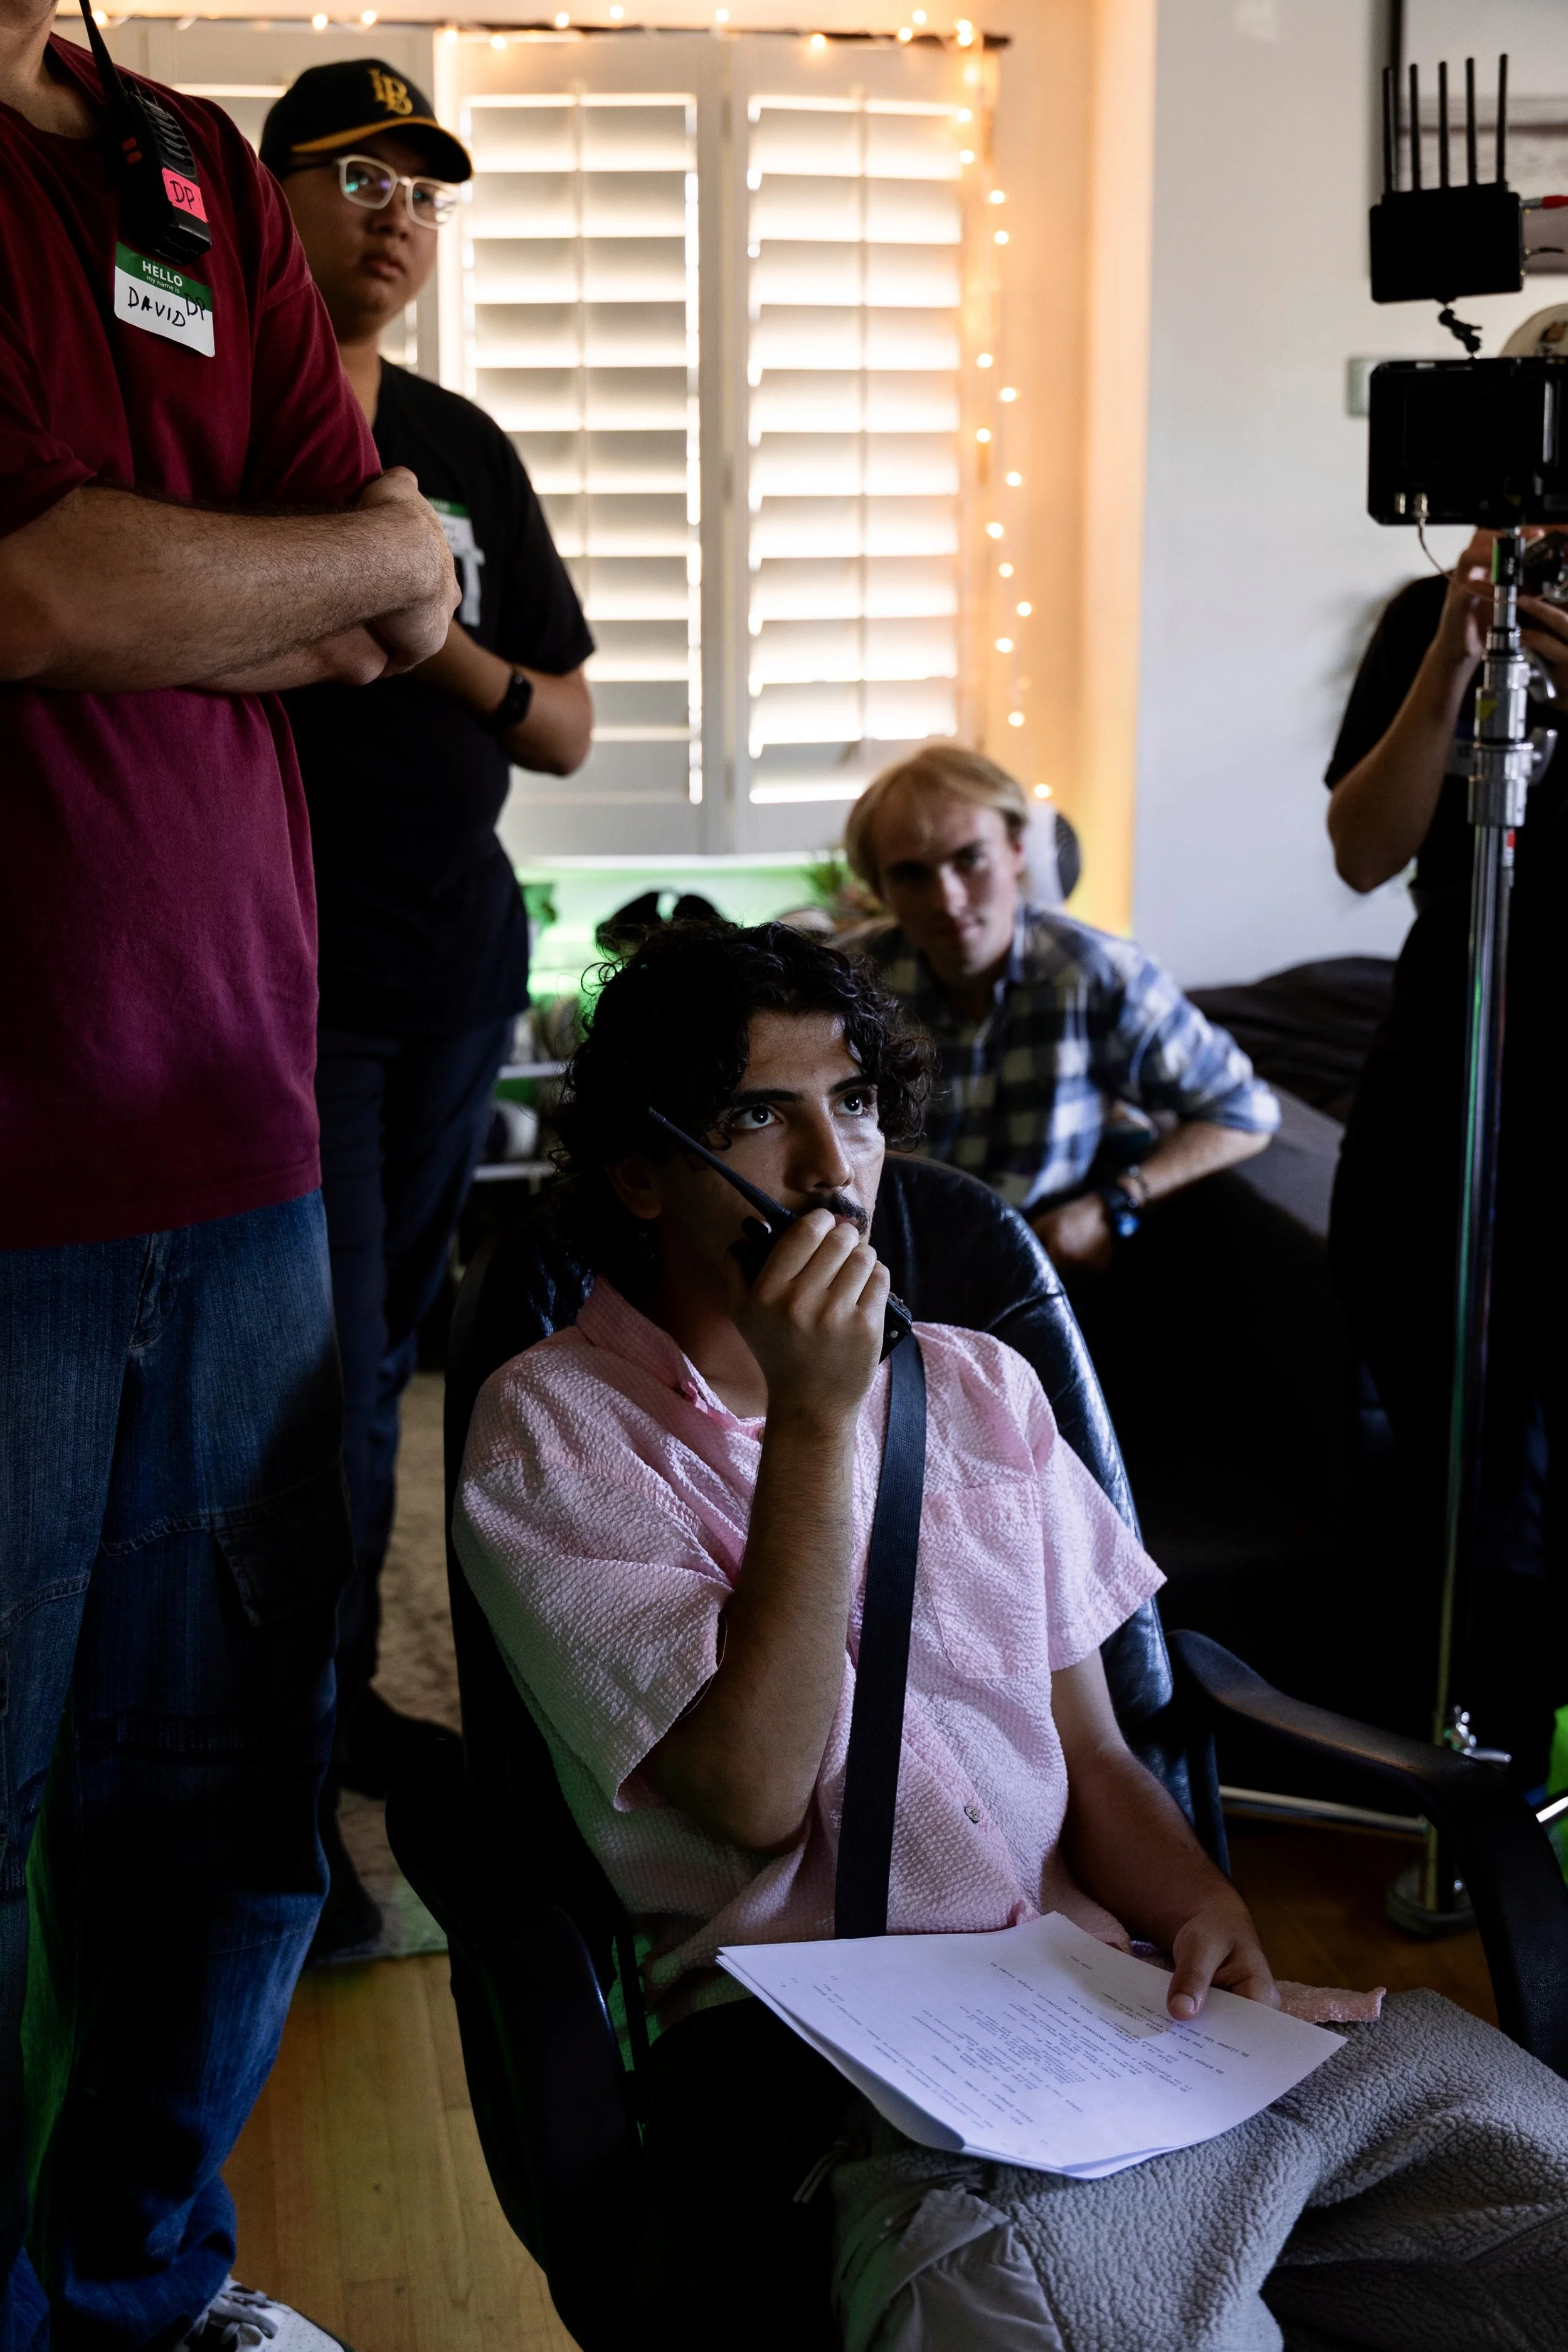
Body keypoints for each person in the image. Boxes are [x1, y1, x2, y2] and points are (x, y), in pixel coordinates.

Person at [452, 922, 1568, 2352]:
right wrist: (814, 1419)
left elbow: (1093, 1753)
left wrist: (1202, 1908)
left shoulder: (979, 1384)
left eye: (855, 1103)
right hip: (861, 2088)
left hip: (1112, 2013)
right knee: (1084, 2312)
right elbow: (751, 1796)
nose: (830, 1165)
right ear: (642, 1172)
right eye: (760, 1114)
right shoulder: (551, 1431)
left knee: (1532, 2185)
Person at [0, 4, 458, 2344]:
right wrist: (288, 573)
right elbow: (37, 594)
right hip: (13, 1175)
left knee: (229, 1792)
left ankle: (143, 2283)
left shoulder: (184, 157)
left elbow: (411, 595)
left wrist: (213, 575)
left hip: (245, 1131)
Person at [258, 63, 595, 1951]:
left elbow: (562, 721)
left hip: (450, 966)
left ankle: (330, 1707)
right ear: (272, 199)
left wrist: (432, 634)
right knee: (297, 1385)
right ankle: (277, 1771)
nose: (400, 214)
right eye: (361, 176)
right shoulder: (223, 413)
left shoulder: (461, 440)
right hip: (275, 978)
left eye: (427, 189)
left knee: (382, 1362)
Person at [1325, 308, 1568, 1784]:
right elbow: (1362, 851)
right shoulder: (1430, 620)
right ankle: (1460, 1784)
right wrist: (1450, 661)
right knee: (1451, 1476)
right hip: (1443, 1090)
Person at [842, 746, 1278, 1273]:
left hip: (1040, 1262)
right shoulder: (847, 985)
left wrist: (1118, 1201)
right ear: (880, 887)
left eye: (970, 859)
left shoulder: (1098, 972)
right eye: (912, 875)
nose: (948, 900)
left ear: (1017, 849)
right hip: (886, 1261)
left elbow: (1244, 1112)